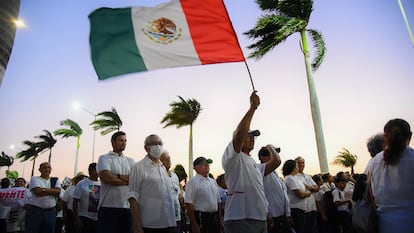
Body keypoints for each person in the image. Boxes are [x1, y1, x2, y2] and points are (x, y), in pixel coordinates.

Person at [221, 91, 280, 233]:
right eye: (249, 135)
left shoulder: (253, 163)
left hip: (259, 217)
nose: (252, 138)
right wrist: (252, 108)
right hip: (240, 218)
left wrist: (270, 147)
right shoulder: (233, 157)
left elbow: (277, 161)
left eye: (254, 136)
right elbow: (237, 134)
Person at [369, 118, 414, 233]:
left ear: (385, 137)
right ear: (410, 136)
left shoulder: (375, 161)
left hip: (383, 224)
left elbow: (371, 194)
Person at [128, 134, 176, 233]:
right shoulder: (138, 167)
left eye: (160, 143)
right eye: (155, 143)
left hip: (167, 223)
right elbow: (133, 198)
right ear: (146, 148)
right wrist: (137, 226)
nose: (158, 146)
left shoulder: (162, 168)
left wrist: (172, 222)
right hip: (149, 224)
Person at [97, 131, 135, 233]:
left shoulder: (131, 161)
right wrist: (126, 180)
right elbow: (106, 178)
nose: (124, 143)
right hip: (107, 208)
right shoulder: (104, 158)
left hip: (126, 208)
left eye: (125, 141)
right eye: (121, 140)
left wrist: (116, 176)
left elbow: (135, 179)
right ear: (113, 142)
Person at [258, 147, 293, 233]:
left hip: (282, 215)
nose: (275, 156)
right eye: (272, 154)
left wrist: (288, 214)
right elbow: (277, 161)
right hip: (272, 217)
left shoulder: (274, 174)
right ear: (263, 157)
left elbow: (283, 195)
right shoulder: (260, 169)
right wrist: (269, 146)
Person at [185, 156, 222, 233]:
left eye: (207, 164)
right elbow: (189, 203)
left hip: (214, 218)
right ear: (196, 167)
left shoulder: (213, 182)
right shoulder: (192, 182)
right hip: (200, 218)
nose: (207, 165)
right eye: (203, 164)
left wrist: (219, 220)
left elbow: (218, 202)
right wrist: (194, 224)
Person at [25, 162, 61, 233]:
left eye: (49, 168)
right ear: (40, 170)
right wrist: (51, 191)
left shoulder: (55, 180)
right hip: (35, 212)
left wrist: (43, 190)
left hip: (50, 212)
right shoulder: (35, 179)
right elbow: (37, 193)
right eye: (44, 168)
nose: (47, 169)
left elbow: (57, 192)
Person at [282, 159, 312, 233]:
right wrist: (308, 193)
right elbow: (300, 194)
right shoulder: (289, 178)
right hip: (295, 209)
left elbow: (308, 187)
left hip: (301, 209)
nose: (298, 167)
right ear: (293, 167)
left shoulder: (295, 178)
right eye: (296, 165)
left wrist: (308, 191)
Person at [73, 162, 101, 233]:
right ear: (90, 171)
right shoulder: (81, 184)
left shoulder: (102, 184)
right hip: (85, 217)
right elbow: (75, 202)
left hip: (98, 218)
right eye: (96, 169)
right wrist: (76, 219)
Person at [160, 150, 183, 233]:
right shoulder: (158, 175)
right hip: (164, 218)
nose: (169, 160)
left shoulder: (174, 175)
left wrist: (181, 194)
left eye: (169, 158)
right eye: (166, 159)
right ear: (160, 161)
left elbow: (178, 190)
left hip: (177, 216)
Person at [295, 157, 319, 233]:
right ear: (295, 164)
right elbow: (302, 190)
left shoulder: (307, 176)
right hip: (303, 209)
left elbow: (317, 188)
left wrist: (310, 188)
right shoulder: (294, 177)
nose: (301, 164)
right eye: (299, 163)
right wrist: (312, 189)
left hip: (312, 207)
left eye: (303, 163)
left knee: (312, 229)